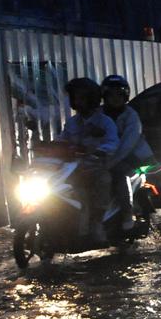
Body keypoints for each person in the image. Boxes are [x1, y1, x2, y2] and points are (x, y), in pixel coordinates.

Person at [59, 78, 119, 241]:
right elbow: (62, 140)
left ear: (91, 99)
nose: (77, 101)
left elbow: (112, 142)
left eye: (81, 97)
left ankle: (97, 223)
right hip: (74, 168)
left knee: (103, 182)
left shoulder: (105, 122)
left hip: (97, 166)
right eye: (75, 97)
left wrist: (99, 151)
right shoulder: (72, 123)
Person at [100, 75, 154, 230]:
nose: (115, 98)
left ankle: (126, 213)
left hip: (132, 156)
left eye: (119, 94)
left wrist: (110, 163)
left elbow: (127, 144)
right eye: (112, 94)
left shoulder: (131, 116)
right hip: (104, 156)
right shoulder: (98, 114)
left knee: (119, 173)